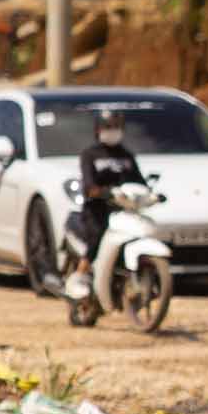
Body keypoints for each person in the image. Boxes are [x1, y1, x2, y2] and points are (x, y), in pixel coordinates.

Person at [62, 105, 151, 312]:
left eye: (116, 126)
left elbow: (140, 182)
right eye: (108, 126)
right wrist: (102, 192)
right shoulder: (90, 155)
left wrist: (150, 195)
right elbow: (88, 186)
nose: (112, 130)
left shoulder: (127, 156)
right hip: (97, 210)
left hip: (123, 210)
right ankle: (80, 276)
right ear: (98, 129)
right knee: (96, 238)